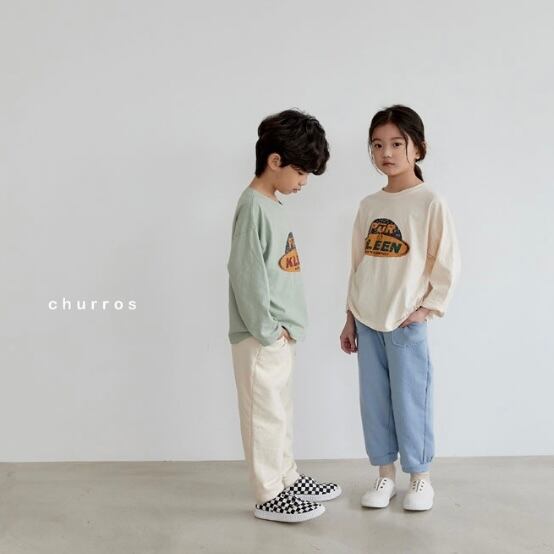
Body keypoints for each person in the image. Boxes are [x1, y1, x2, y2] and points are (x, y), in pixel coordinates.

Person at [340, 105, 461, 512]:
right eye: (377, 145)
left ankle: (420, 478)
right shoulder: (368, 205)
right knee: (374, 402)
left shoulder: (429, 202)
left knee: (411, 401)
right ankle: (385, 476)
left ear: (418, 148)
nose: (386, 153)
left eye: (396, 143)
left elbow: (447, 264)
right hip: (367, 319)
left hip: (406, 321)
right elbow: (358, 264)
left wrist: (425, 311)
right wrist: (350, 316)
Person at [228, 109, 341, 523]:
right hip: (261, 335)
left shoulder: (272, 204)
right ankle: (268, 493)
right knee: (264, 415)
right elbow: (245, 273)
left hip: (281, 333)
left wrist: (285, 329)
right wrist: (266, 329)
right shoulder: (252, 207)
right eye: (301, 172)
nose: (304, 182)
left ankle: (287, 476)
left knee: (281, 412)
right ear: (275, 161)